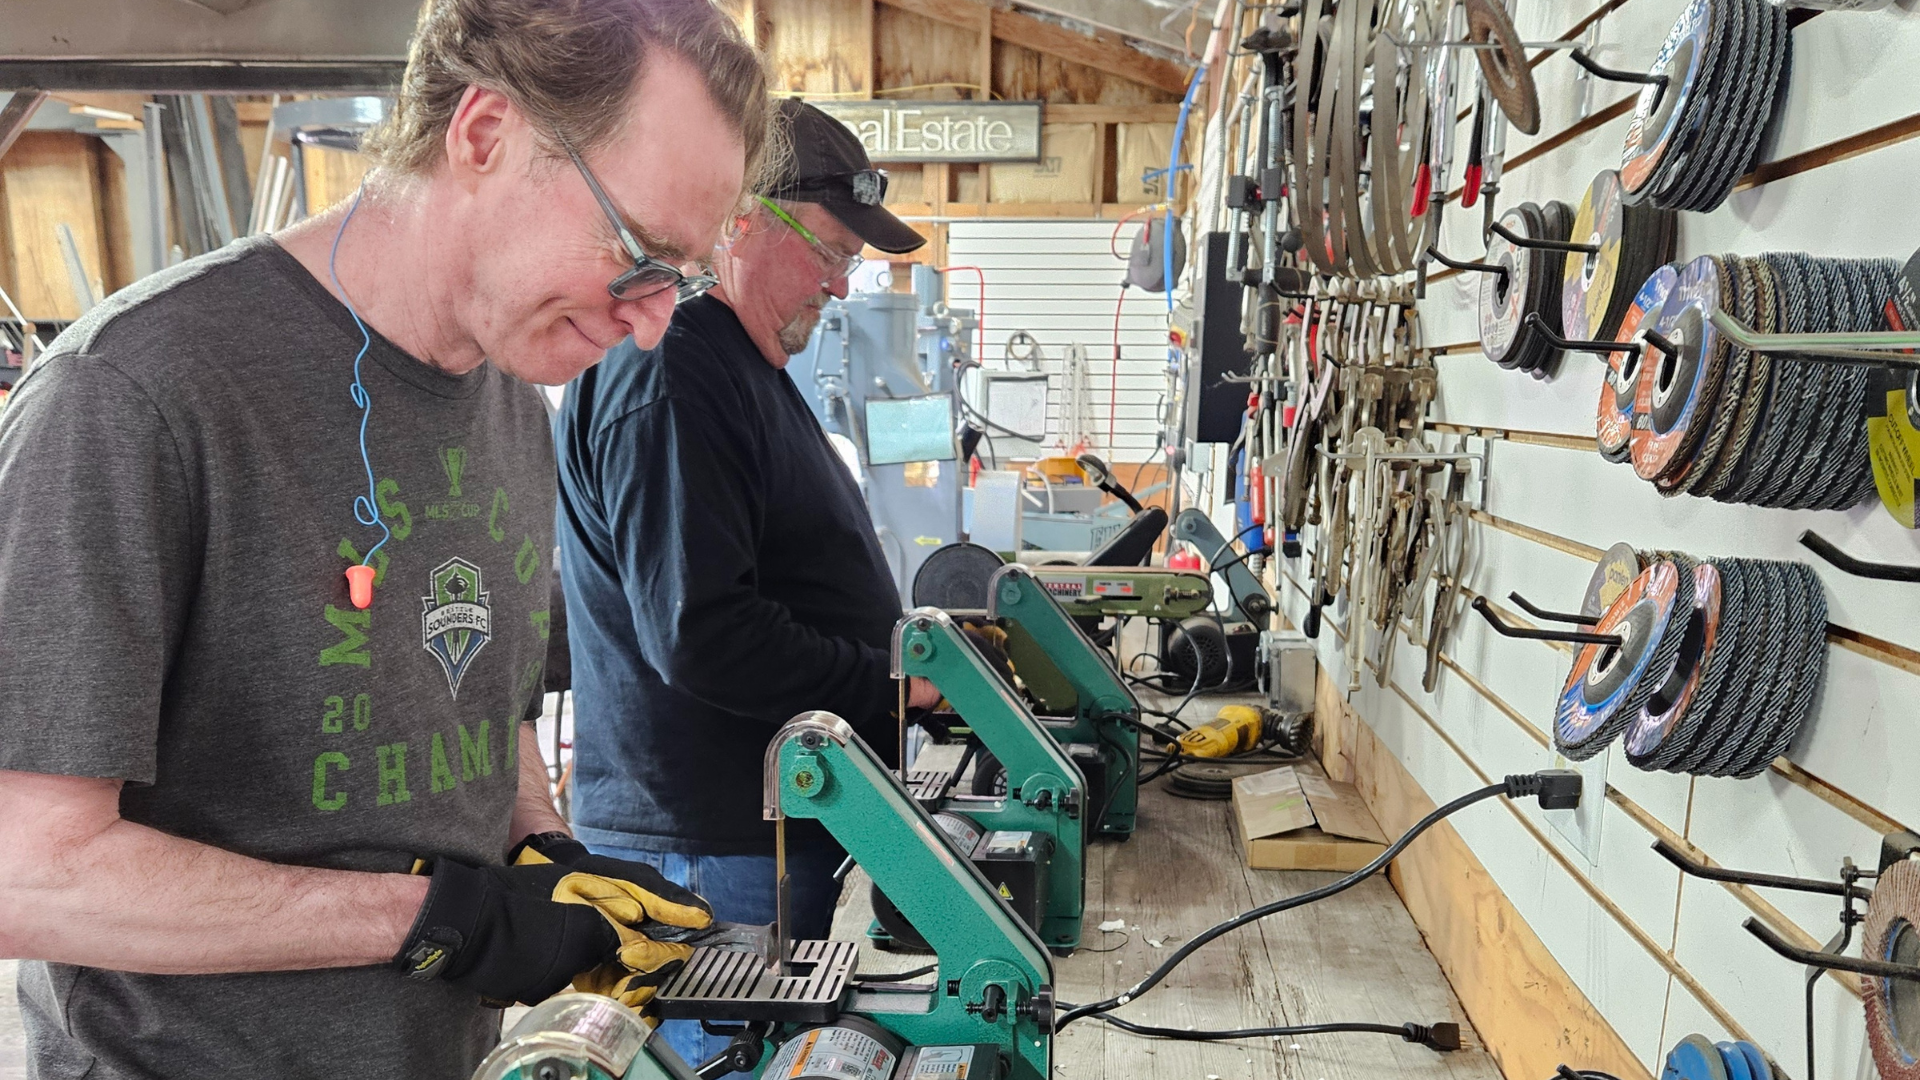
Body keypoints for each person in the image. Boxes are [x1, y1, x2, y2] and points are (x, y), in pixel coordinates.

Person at [0, 2, 772, 1078]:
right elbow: (29, 874)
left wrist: (540, 848)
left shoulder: (511, 402)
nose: (651, 324)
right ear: (486, 134)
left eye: (680, 279)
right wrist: (436, 919)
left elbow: (483, 712)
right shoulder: (135, 393)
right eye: (639, 253)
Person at [552, 99, 935, 1064]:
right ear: (739, 219)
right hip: (708, 846)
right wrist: (891, 682)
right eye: (831, 252)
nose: (841, 286)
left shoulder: (735, 361)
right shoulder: (673, 370)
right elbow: (702, 632)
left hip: (763, 828)